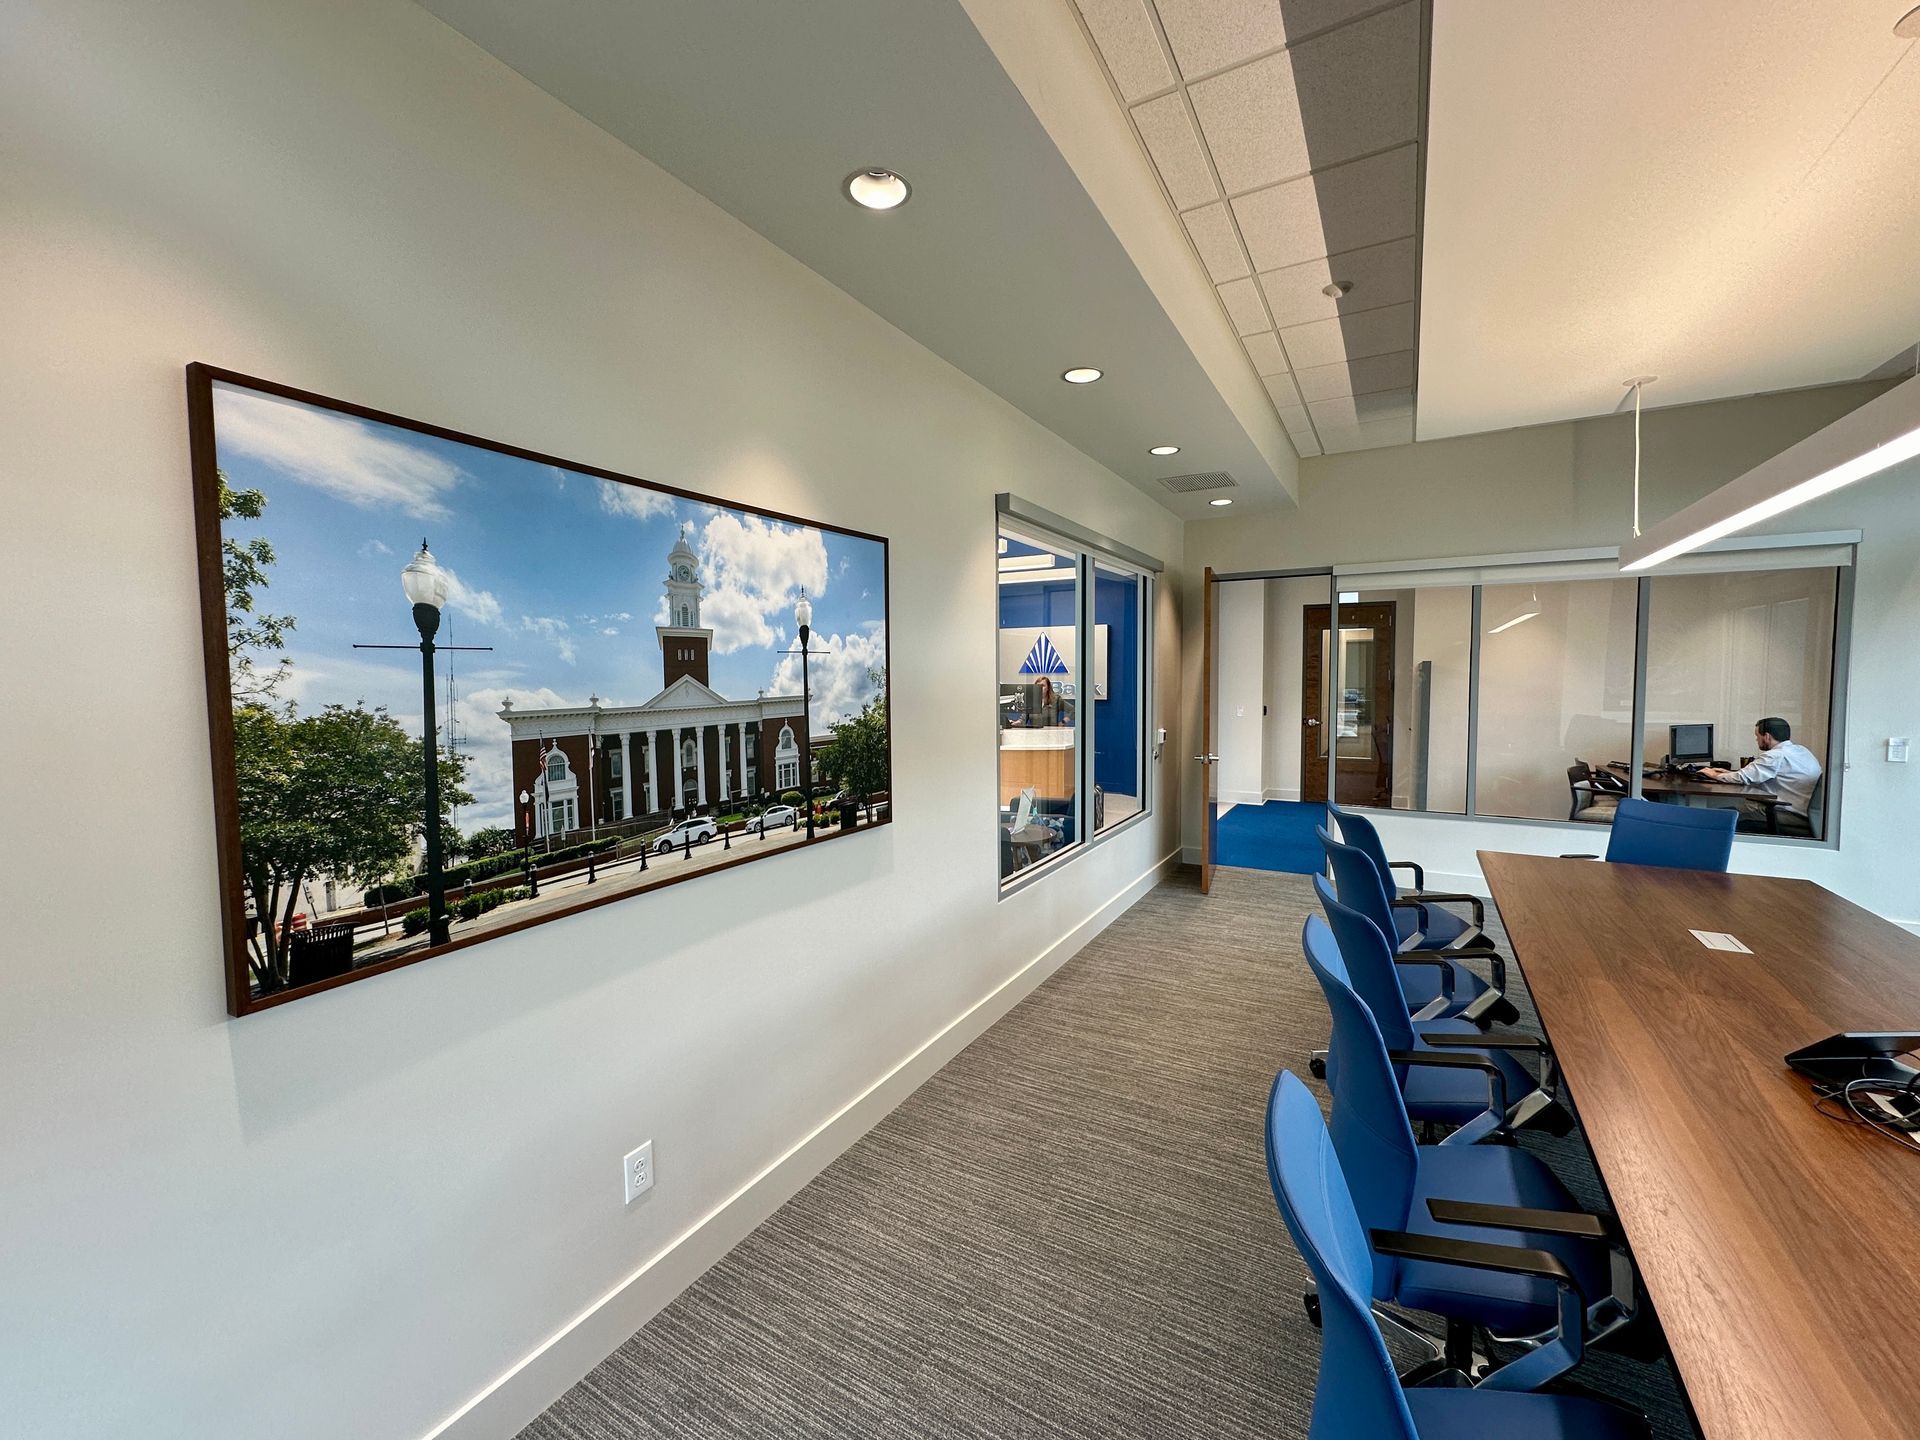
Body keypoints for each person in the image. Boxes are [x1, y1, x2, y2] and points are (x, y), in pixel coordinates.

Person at [1701, 717, 1822, 831]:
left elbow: (1741, 778)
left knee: (1713, 818)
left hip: (1781, 813)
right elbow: (1755, 774)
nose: (1756, 740)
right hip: (1804, 814)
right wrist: (1729, 773)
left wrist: (1713, 774)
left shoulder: (1775, 755)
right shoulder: (1802, 751)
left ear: (1767, 736)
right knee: (1721, 814)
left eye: (1757, 736)